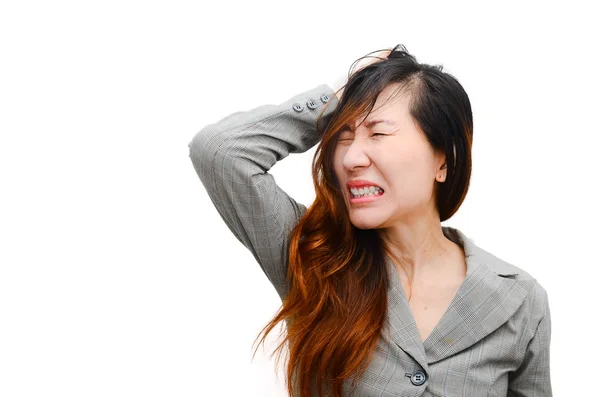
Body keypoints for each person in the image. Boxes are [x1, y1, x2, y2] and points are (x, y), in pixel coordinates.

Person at [187, 45, 552, 397]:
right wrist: (335, 98)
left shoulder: (519, 298)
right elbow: (220, 150)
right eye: (343, 138)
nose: (350, 158)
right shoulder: (314, 258)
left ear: (443, 159)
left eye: (378, 133)